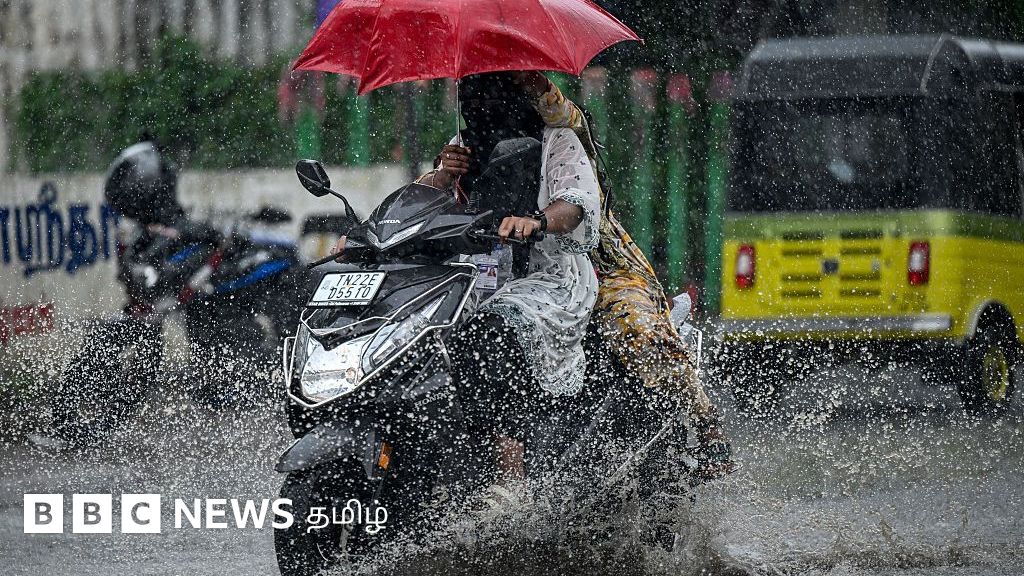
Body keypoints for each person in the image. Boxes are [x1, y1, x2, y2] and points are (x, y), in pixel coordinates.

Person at [512, 72, 736, 481]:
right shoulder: (471, 148)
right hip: (523, 279)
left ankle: (707, 427)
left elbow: (562, 116)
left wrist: (533, 82)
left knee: (635, 327)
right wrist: (443, 171)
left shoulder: (561, 142)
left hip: (601, 267)